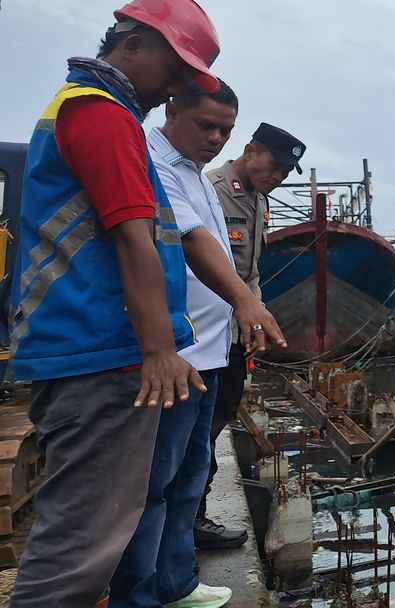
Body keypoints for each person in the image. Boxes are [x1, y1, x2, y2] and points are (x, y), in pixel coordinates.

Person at [5, 0, 217, 608]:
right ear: (133, 45)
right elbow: (133, 235)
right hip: (97, 353)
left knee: (96, 534)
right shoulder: (101, 115)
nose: (174, 92)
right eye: (174, 74)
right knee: (79, 547)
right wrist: (158, 349)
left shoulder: (92, 111)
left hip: (94, 346)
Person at [109, 81, 286, 608]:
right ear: (173, 109)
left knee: (188, 478)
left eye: (225, 130)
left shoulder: (194, 174)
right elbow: (191, 241)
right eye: (206, 125)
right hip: (176, 355)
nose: (215, 138)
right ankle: (138, 594)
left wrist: (238, 324)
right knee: (153, 486)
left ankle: (177, 581)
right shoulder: (156, 162)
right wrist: (245, 303)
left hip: (211, 352)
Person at [194, 122, 305, 549]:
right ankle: (190, 521)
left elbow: (250, 272)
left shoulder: (258, 200)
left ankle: (195, 517)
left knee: (217, 421)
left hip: (235, 336)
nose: (276, 177)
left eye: (283, 173)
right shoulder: (212, 190)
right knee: (196, 433)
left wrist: (254, 319)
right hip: (205, 334)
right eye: (273, 166)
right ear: (250, 150)